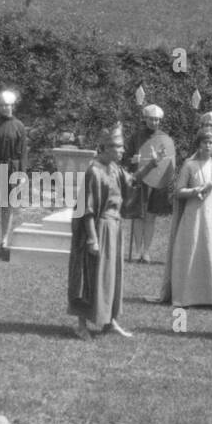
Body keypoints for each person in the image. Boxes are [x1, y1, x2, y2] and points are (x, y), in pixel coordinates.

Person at [68, 124, 134, 339]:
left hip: (115, 226)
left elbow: (131, 182)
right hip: (100, 228)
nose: (122, 151)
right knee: (92, 275)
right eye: (119, 147)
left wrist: (152, 164)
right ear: (106, 148)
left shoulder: (114, 168)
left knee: (112, 275)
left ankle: (110, 321)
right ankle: (81, 325)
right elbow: (86, 210)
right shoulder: (94, 171)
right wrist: (92, 240)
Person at [167, 128, 212, 307]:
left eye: (211, 143)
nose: (207, 146)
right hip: (194, 216)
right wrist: (196, 190)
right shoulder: (190, 166)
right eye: (204, 142)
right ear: (198, 144)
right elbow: (178, 191)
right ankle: (187, 296)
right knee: (192, 252)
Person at [124, 104, 176, 263]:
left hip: (157, 180)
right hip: (140, 179)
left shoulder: (165, 138)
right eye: (151, 119)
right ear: (145, 119)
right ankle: (137, 250)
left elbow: (170, 161)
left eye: (157, 120)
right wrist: (132, 160)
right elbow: (125, 157)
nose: (154, 122)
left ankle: (146, 251)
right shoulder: (136, 137)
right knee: (138, 215)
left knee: (151, 216)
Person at [0, 90, 29, 251]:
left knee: (7, 206)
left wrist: (22, 174)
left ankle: (4, 239)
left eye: (8, 105)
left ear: (12, 106)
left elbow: (23, 152)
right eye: (2, 105)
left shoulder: (19, 126)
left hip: (11, 169)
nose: (5, 108)